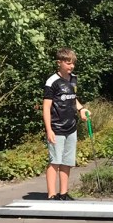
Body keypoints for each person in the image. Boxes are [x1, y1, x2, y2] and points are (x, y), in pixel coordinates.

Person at [43, 48, 89, 201]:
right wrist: (49, 130)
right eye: (68, 63)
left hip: (71, 127)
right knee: (54, 161)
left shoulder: (73, 79)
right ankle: (51, 194)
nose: (71, 66)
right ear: (59, 63)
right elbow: (46, 107)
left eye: (73, 64)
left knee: (67, 162)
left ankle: (63, 193)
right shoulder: (52, 82)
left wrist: (81, 109)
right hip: (56, 128)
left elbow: (73, 98)